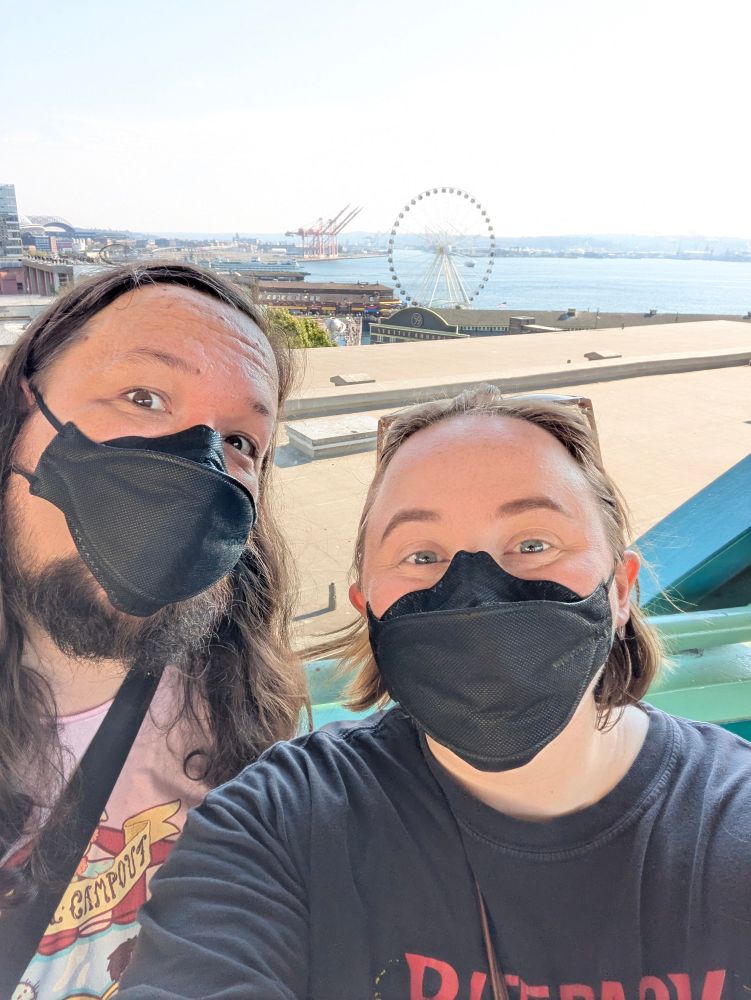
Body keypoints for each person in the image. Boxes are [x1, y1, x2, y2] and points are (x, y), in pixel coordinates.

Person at [120, 385, 751, 1000]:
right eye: (422, 556)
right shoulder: (279, 821)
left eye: (533, 544)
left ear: (620, 590)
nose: (476, 589)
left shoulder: (734, 820)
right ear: (367, 606)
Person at [0, 263, 307, 1000]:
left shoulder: (244, 711)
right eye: (143, 397)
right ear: (20, 414)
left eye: (239, 441)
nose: (196, 470)